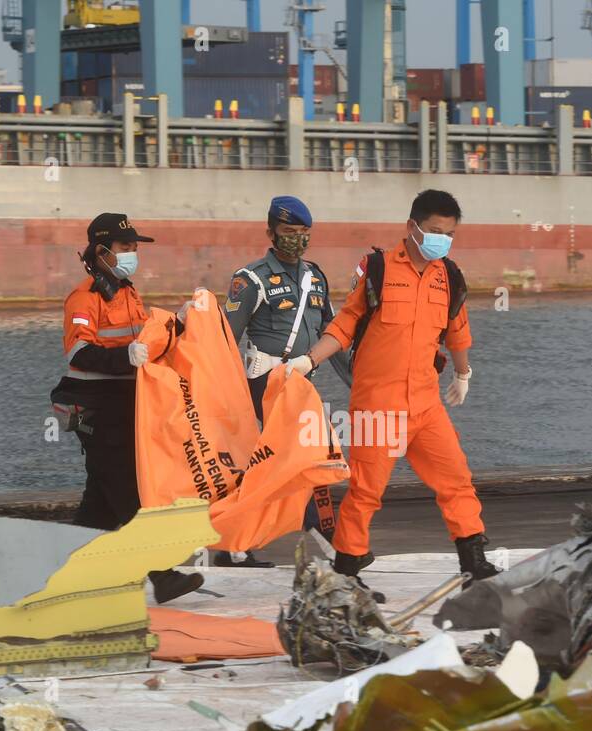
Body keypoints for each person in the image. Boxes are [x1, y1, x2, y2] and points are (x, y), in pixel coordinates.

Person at [286, 189, 499, 598]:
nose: (441, 240)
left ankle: (474, 563)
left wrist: (463, 374)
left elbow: (457, 331)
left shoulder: (448, 276)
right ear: (412, 227)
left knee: (456, 481)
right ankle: (346, 574)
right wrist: (309, 361)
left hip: (426, 404)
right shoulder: (378, 268)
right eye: (435, 231)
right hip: (378, 405)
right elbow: (346, 323)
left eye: (449, 233)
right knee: (366, 491)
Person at [49, 212, 203, 604]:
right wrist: (125, 357)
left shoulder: (128, 293)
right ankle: (163, 575)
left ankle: (60, 574)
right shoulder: (83, 298)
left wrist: (177, 326)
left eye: (135, 247)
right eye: (126, 247)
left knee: (100, 504)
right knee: (130, 493)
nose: (133, 253)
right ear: (102, 252)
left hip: (125, 408)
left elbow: (146, 340)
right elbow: (79, 351)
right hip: (96, 411)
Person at [220, 195, 351, 566]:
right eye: (289, 231)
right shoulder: (250, 280)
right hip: (264, 381)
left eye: (303, 232)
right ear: (271, 232)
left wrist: (357, 381)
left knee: (274, 466)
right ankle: (335, 547)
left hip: (301, 381)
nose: (297, 238)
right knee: (308, 460)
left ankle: (234, 546)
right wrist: (228, 400)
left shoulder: (315, 277)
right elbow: (226, 340)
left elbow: (331, 332)